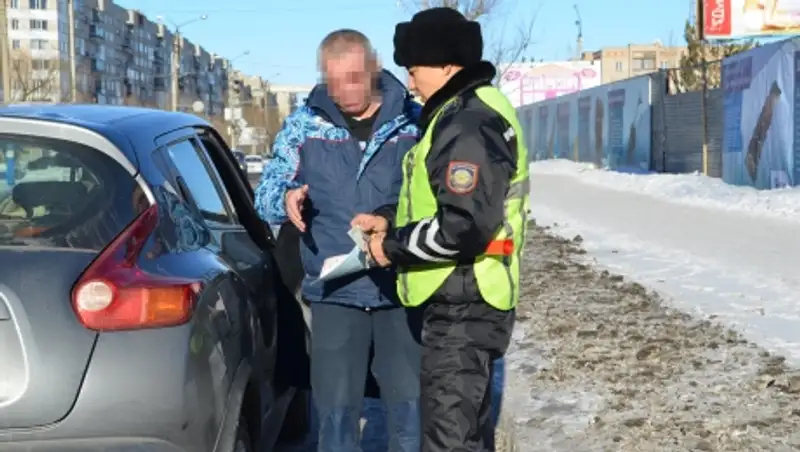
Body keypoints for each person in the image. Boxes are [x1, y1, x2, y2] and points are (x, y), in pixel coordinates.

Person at [351, 8, 530, 452]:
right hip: (464, 299)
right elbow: (439, 200)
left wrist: (390, 248)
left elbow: (464, 226)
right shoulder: (460, 113)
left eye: (414, 70)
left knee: (449, 441)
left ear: (448, 65)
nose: (410, 83)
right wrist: (390, 217)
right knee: (464, 435)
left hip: (464, 304)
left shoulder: (466, 123)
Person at [254, 29, 421, 452]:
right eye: (333, 81)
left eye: (353, 78)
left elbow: (432, 197)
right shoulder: (304, 124)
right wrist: (287, 197)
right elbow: (266, 194)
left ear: (374, 69)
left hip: (399, 285)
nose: (343, 91)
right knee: (335, 416)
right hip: (334, 291)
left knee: (409, 411)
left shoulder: (413, 122)